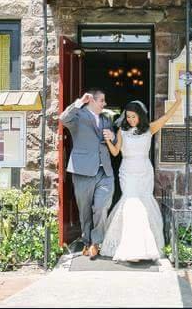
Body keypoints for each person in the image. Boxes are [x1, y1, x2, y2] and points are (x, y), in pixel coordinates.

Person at [100, 90, 183, 262]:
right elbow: (115, 153)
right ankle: (131, 248)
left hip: (145, 171)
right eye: (128, 117)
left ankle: (146, 247)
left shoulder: (149, 129)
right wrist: (109, 139)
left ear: (140, 116)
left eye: (133, 117)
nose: (130, 120)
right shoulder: (122, 132)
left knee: (144, 203)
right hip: (127, 172)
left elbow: (166, 117)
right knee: (131, 203)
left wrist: (178, 101)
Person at [58, 88, 116, 260]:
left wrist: (112, 136)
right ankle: (86, 241)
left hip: (105, 171)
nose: (104, 104)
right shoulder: (78, 117)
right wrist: (79, 102)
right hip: (82, 171)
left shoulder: (106, 119)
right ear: (92, 101)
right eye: (102, 101)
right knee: (84, 210)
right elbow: (63, 118)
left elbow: (112, 141)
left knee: (100, 207)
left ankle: (96, 243)